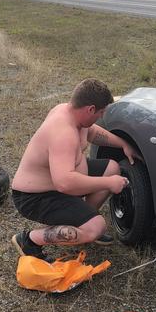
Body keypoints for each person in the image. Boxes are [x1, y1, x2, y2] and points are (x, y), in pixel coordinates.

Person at [10, 78, 139, 261]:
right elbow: (65, 183)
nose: (101, 116)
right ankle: (29, 240)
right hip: (35, 197)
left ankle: (83, 224)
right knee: (97, 227)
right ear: (90, 109)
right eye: (101, 112)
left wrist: (123, 144)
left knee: (111, 167)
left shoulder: (72, 113)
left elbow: (92, 132)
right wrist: (109, 183)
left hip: (59, 184)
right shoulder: (63, 132)